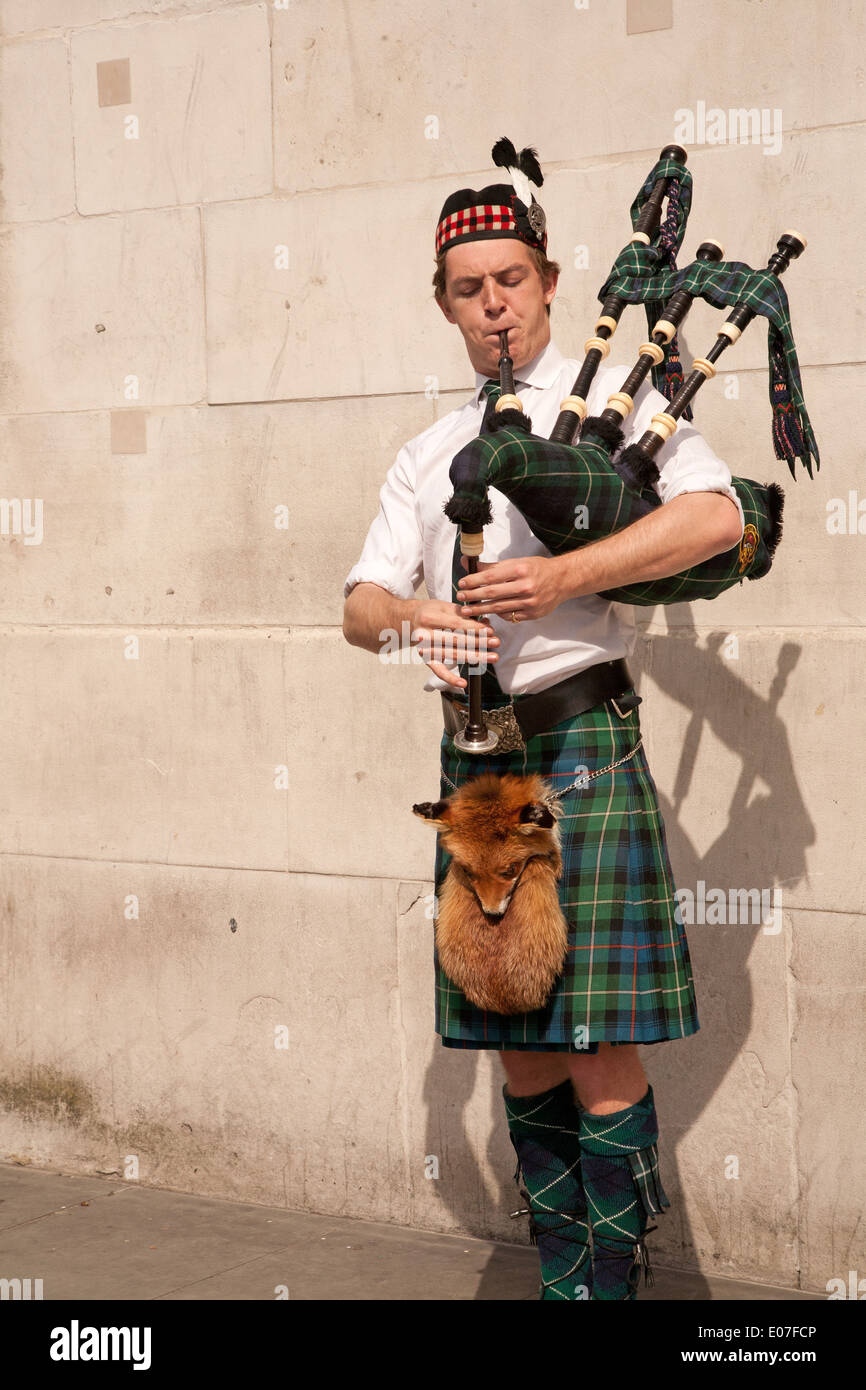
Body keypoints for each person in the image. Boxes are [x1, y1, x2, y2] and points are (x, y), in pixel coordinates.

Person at [341, 143, 744, 1301]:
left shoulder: (616, 407)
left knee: (594, 1040)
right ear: (444, 305)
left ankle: (610, 1279)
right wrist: (416, 614)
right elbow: (356, 607)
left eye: (509, 278)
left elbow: (712, 521)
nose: (493, 304)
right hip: (476, 762)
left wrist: (565, 579)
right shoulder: (425, 456)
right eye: (469, 289)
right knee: (513, 1035)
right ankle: (561, 1269)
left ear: (550, 280)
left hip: (582, 750)